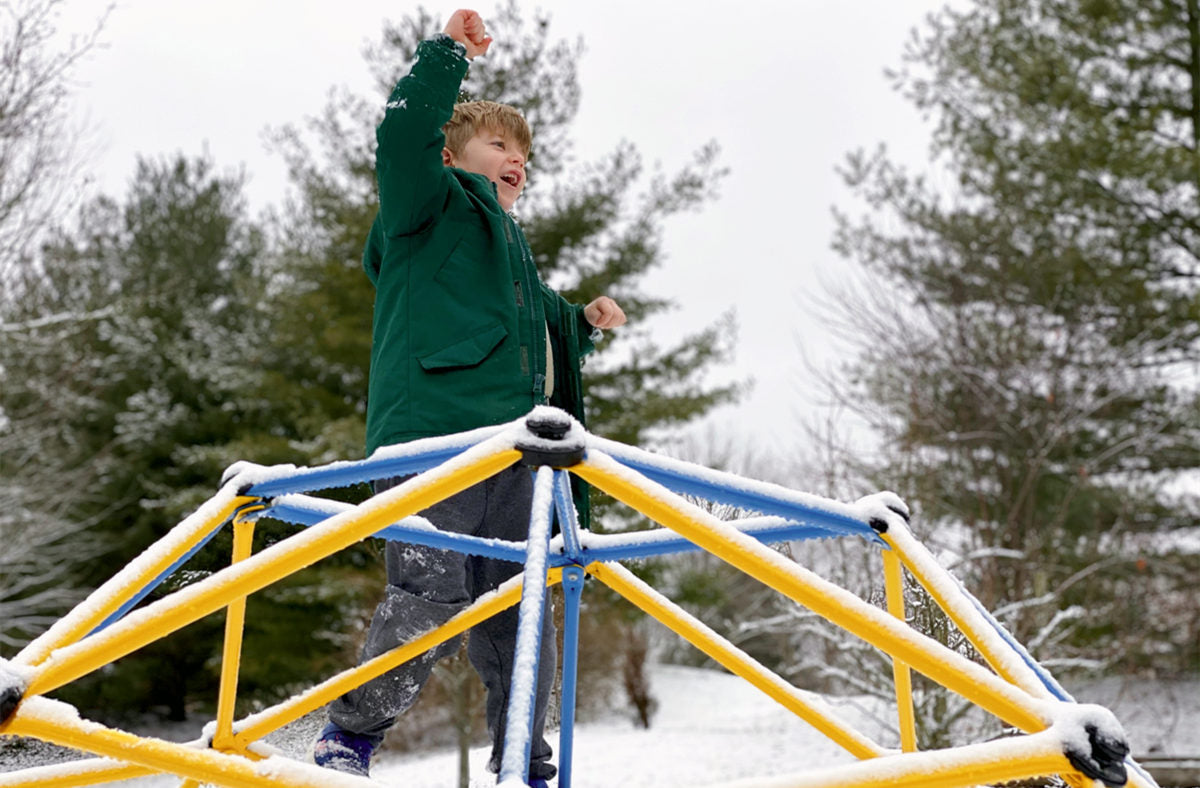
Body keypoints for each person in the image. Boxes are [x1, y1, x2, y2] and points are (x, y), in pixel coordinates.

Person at [312, 9, 625, 786]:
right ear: (452, 155)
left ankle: (526, 759)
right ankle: (349, 739)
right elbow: (402, 134)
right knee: (431, 591)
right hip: (435, 438)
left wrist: (580, 324)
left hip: (518, 454)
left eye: (524, 154)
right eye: (499, 146)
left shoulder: (512, 254)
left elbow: (537, 335)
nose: (516, 160)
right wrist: (448, 53)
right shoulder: (427, 208)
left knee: (526, 615)